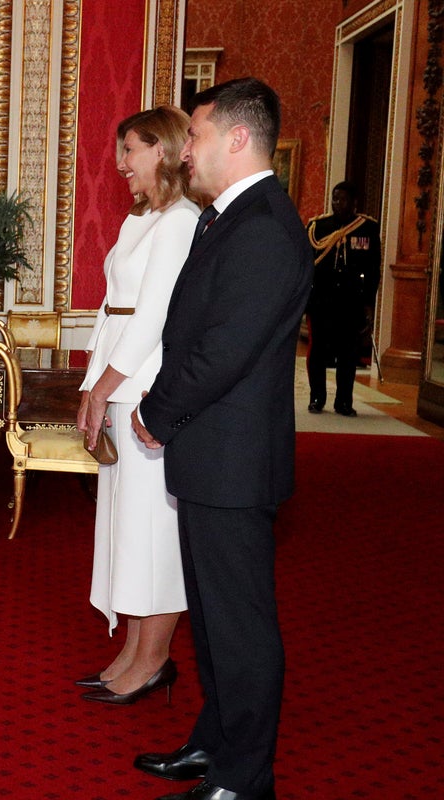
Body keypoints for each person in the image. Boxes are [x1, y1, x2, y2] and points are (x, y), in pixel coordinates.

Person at [130, 78, 313, 800]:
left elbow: (222, 352)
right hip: (211, 455)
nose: (188, 152)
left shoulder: (265, 225)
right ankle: (215, 741)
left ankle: (245, 778)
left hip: (234, 460)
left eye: (197, 137)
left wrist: (155, 411)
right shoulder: (228, 217)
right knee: (209, 619)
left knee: (240, 627)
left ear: (238, 139)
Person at [75, 106, 196, 705]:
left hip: (147, 385)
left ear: (164, 151)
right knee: (127, 524)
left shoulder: (181, 221)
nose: (120, 163)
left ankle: (154, 661)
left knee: (155, 529)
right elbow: (111, 308)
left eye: (130, 150)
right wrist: (90, 385)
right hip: (119, 379)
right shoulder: (141, 220)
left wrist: (104, 387)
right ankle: (131, 653)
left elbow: (152, 319)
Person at [304, 181, 382, 416]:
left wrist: (368, 302)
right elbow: (308, 266)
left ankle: (343, 401)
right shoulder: (318, 227)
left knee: (348, 354)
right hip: (322, 300)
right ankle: (317, 397)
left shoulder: (366, 229)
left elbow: (372, 270)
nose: (337, 204)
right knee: (318, 351)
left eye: (342, 199)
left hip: (350, 302)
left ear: (354, 203)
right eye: (334, 199)